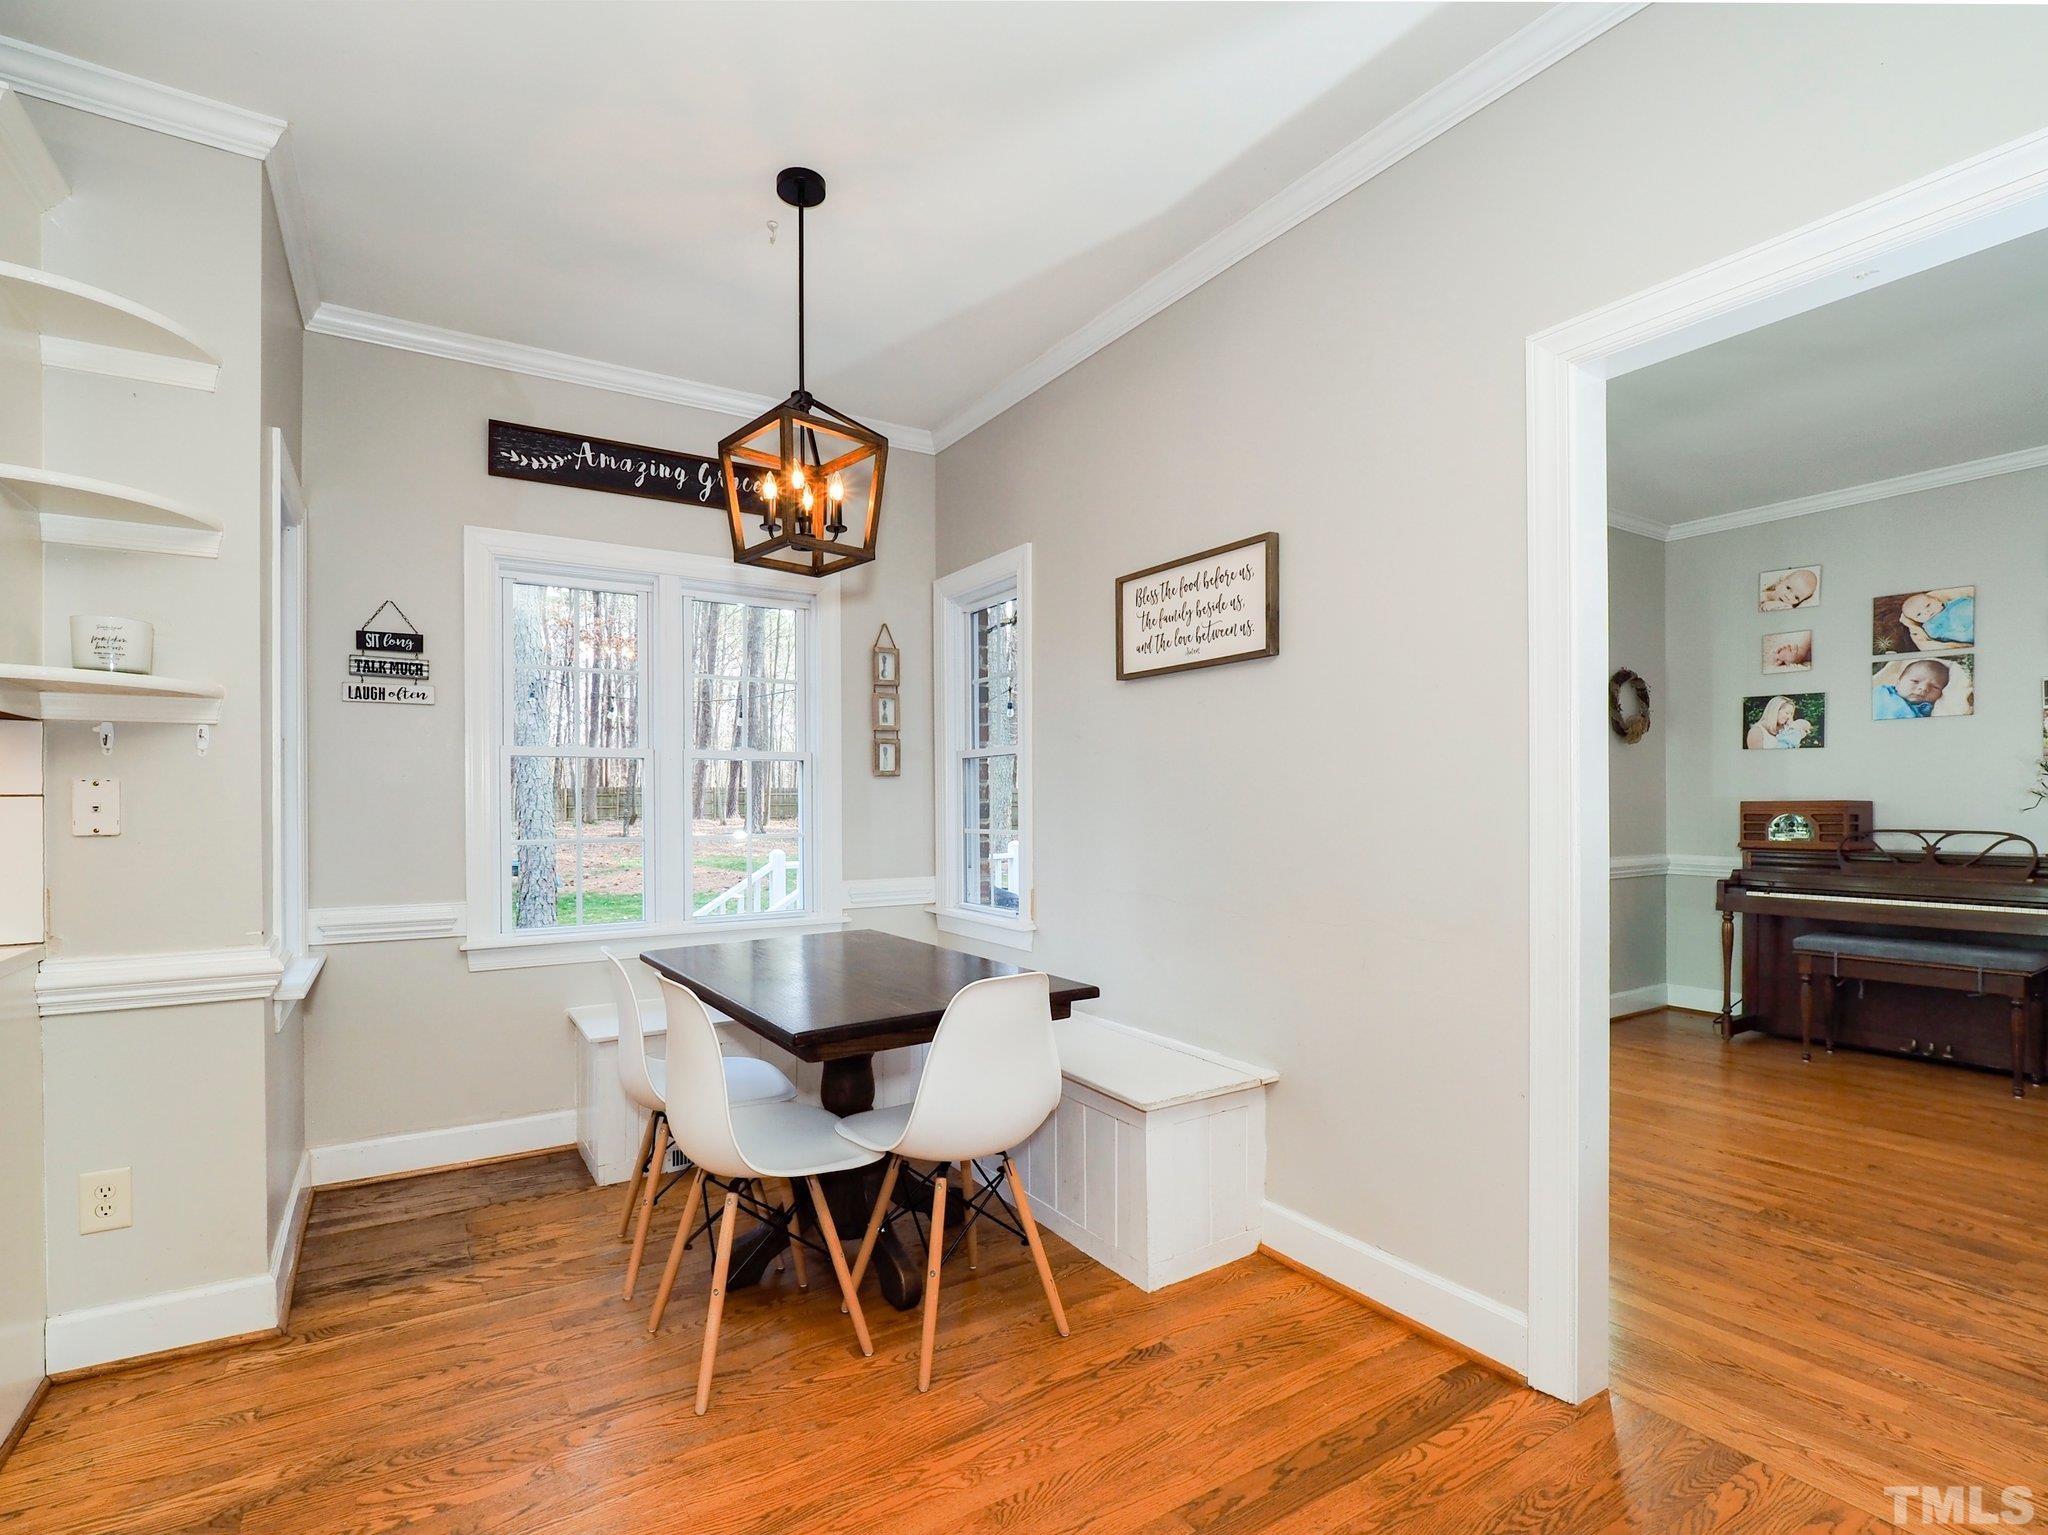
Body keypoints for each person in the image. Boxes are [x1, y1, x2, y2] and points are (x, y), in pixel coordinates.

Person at [1898, 588, 1974, 650]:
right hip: (1964, 631)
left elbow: (1967, 601)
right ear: (1916, 620)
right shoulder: (1930, 625)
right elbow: (1939, 636)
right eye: (1919, 614)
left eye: (1928, 605)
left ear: (1937, 600)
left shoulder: (1953, 603)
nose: (1926, 612)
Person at [1873, 658, 1949, 719]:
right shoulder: (1881, 693)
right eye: (1915, 681)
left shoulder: (1931, 710)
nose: (1923, 688)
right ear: (1898, 682)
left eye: (1935, 687)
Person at [1746, 695, 1812, 749]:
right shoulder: (1756, 731)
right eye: (1787, 713)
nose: (1789, 717)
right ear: (1775, 710)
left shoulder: (1788, 730)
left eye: (1791, 714)